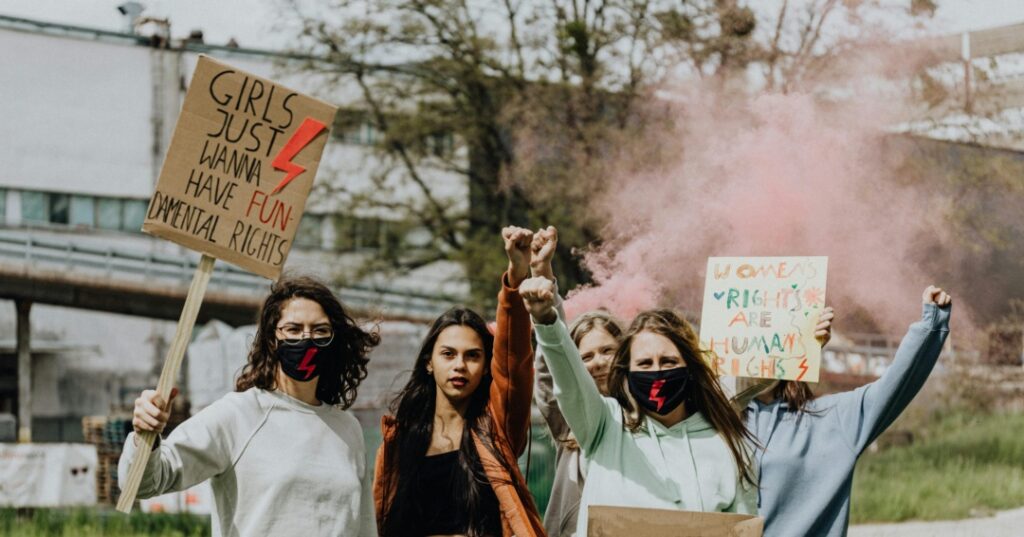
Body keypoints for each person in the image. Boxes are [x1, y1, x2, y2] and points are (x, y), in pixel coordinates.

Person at [119, 276, 381, 537]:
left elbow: (364, 527)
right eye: (293, 329)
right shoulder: (238, 415)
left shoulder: (348, 428)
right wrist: (145, 436)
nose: (307, 339)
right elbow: (143, 484)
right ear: (272, 339)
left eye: (320, 330)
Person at [522, 276, 758, 537]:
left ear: (689, 369)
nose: (657, 372)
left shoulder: (728, 446)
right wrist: (547, 320)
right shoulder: (605, 425)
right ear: (627, 372)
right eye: (645, 364)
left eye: (668, 361)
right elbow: (569, 379)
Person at [374, 226, 545, 537]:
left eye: (473, 356)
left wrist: (515, 281)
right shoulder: (399, 442)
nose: (460, 366)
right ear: (429, 362)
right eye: (448, 354)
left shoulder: (495, 431)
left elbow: (513, 365)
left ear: (485, 367)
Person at [747, 286, 952, 537]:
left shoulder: (831, 419)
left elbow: (895, 386)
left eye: (775, 338)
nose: (761, 349)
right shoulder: (715, 419)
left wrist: (930, 324)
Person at [529, 226, 625, 537]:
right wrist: (542, 276)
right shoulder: (568, 420)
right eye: (586, 357)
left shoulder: (645, 415)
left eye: (607, 351)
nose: (598, 362)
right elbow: (552, 364)